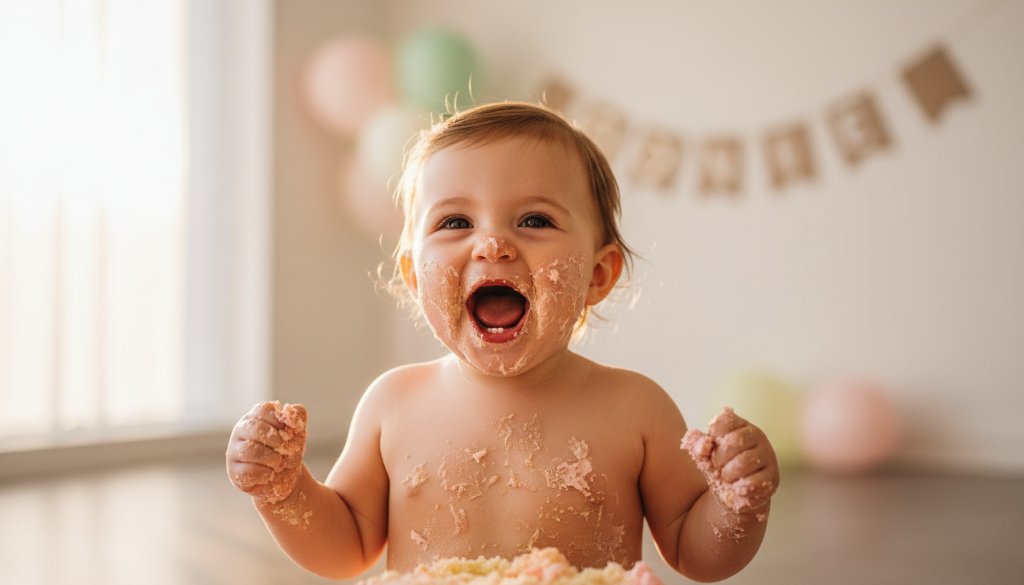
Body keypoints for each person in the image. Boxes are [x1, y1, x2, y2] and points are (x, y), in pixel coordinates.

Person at [226, 102, 779, 582]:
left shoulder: (636, 409)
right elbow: (344, 547)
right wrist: (285, 492)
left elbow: (695, 553)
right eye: (455, 222)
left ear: (597, 274)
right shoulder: (393, 404)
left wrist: (736, 504)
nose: (492, 244)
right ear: (415, 276)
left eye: (534, 220)